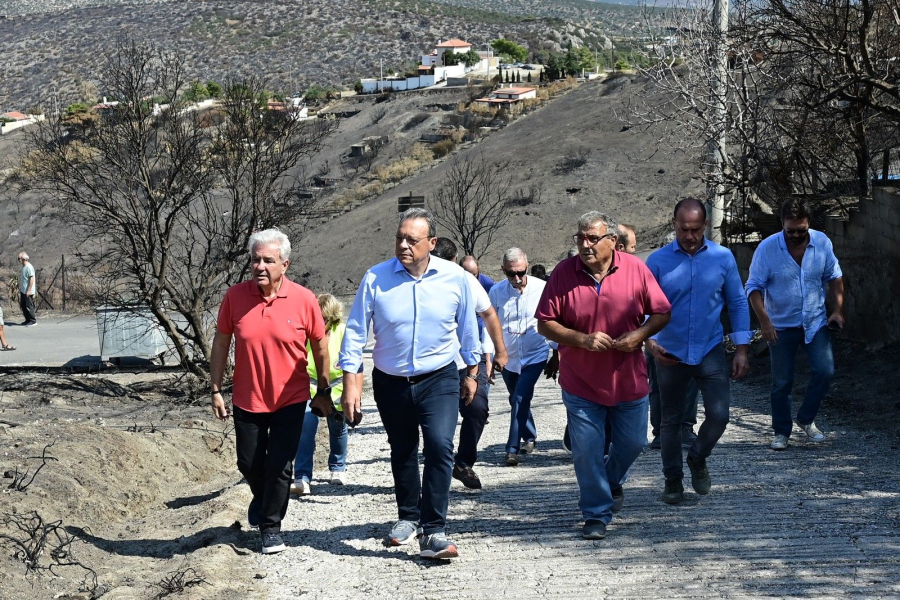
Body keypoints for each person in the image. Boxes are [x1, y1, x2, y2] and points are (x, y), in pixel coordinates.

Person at [339, 208, 480, 560]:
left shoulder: (455, 277)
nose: (403, 245)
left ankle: (433, 529)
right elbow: (355, 332)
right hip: (390, 380)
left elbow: (468, 327)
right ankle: (407, 517)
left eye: (411, 240)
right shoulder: (376, 277)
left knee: (439, 445)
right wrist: (350, 384)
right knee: (402, 449)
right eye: (399, 238)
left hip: (440, 377)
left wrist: (473, 372)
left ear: (431, 243)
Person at [536, 211, 671, 540]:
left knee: (634, 442)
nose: (585, 245)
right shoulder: (564, 274)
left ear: (612, 240)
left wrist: (639, 335)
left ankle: (609, 483)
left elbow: (662, 312)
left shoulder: (636, 269)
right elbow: (545, 322)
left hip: (629, 379)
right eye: (580, 238)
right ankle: (596, 513)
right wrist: (581, 339)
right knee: (587, 451)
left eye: (592, 238)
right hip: (581, 382)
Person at [209, 228, 332, 555]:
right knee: (248, 462)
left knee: (280, 463)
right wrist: (216, 388)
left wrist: (323, 387)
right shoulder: (235, 297)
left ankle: (270, 527)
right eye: (255, 260)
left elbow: (320, 345)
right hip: (248, 399)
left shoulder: (304, 299)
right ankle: (262, 498)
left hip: (290, 399)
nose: (260, 266)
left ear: (285, 265)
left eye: (268, 260)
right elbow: (221, 342)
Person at [645, 198, 752, 504]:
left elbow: (738, 302)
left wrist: (742, 349)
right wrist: (649, 343)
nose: (689, 236)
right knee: (670, 420)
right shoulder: (658, 261)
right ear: (674, 225)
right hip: (670, 351)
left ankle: (697, 456)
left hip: (710, 349)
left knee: (719, 415)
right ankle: (672, 480)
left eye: (694, 229)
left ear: (704, 226)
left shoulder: (723, 258)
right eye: (683, 229)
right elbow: (642, 307)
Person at [746, 198, 843, 451]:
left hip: (815, 321)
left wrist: (838, 311)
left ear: (809, 224)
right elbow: (753, 288)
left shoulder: (822, 242)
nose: (796, 235)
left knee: (825, 371)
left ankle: (806, 419)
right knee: (782, 381)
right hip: (779, 324)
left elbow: (834, 276)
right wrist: (764, 321)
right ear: (782, 225)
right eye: (791, 231)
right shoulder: (767, 249)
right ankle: (781, 432)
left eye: (802, 230)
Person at [432, 238, 508, 490]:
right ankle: (438, 468)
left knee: (477, 410)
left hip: (468, 361)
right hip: (436, 366)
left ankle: (463, 462)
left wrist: (497, 351)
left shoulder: (464, 280)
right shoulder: (419, 283)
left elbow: (488, 314)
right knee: (440, 423)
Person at [490, 247, 558, 466]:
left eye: (521, 272)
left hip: (535, 354)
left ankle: (512, 448)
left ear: (527, 267)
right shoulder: (497, 292)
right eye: (511, 274)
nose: (517, 278)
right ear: (503, 270)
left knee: (520, 397)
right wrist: (490, 356)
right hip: (508, 357)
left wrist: (557, 354)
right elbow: (489, 326)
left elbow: (554, 321)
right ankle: (529, 435)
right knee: (516, 398)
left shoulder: (543, 289)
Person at [291, 294, 351, 496]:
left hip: (336, 386)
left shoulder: (342, 331)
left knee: (338, 427)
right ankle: (302, 477)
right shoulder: (304, 332)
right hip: (308, 386)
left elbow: (352, 361)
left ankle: (338, 467)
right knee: (305, 429)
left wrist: (352, 392)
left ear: (331, 315)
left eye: (322, 316)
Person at [17, 252, 37, 326]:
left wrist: (29, 290)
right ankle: (27, 320)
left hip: (28, 291)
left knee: (29, 306)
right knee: (23, 305)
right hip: (23, 290)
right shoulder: (23, 267)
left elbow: (31, 279)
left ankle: (33, 320)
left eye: (19, 258)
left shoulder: (29, 267)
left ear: (23, 259)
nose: (19, 260)